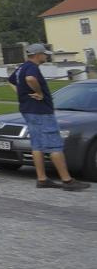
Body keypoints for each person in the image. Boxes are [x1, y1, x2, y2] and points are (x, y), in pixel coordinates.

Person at [9, 44, 88, 191]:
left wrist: (21, 94)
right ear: (37, 54)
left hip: (28, 110)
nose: (46, 56)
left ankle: (42, 179)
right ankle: (67, 180)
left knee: (37, 145)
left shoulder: (21, 67)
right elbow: (31, 79)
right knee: (54, 145)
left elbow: (11, 80)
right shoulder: (32, 68)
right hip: (41, 112)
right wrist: (39, 92)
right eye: (45, 54)